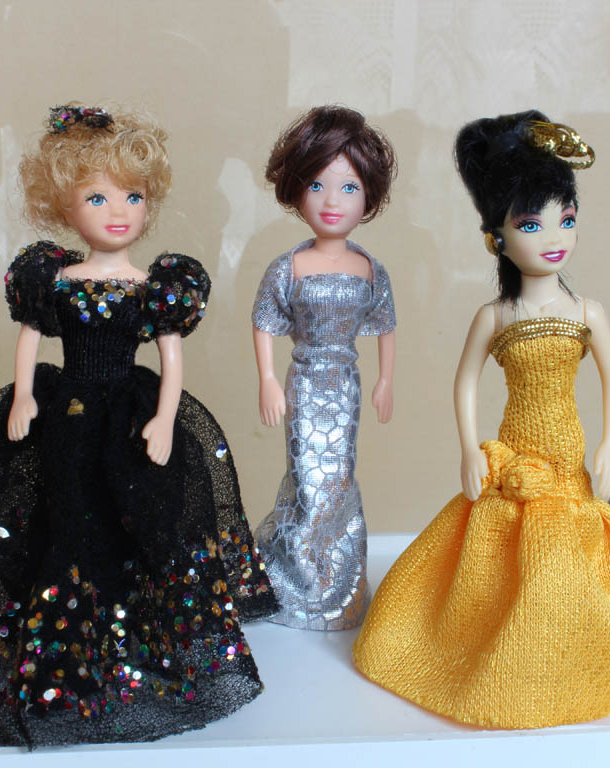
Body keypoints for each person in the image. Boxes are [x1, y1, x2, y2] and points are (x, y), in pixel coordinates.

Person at [0, 105, 276, 747]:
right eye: (97, 197)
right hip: (65, 413)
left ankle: (120, 640)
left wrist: (165, 419)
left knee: (128, 518)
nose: (118, 212)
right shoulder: (53, 280)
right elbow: (30, 340)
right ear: (64, 205)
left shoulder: (154, 286)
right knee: (60, 514)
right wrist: (24, 399)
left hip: (129, 416)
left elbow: (172, 361)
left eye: (133, 197)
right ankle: (58, 648)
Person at [353, 111, 610, 728]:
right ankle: (486, 648)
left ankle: (566, 649)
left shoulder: (587, 312)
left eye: (566, 219)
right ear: (497, 237)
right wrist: (470, 448)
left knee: (567, 550)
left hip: (568, 452)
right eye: (531, 224)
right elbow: (465, 380)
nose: (554, 237)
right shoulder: (495, 316)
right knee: (496, 550)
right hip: (516, 446)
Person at [251, 105, 397, 630]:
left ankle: (337, 586)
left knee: (338, 475)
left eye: (349, 187)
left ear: (369, 196)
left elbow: (385, 324)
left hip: (346, 387)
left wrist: (385, 380)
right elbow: (264, 321)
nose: (332, 201)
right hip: (304, 383)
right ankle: (293, 582)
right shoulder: (289, 267)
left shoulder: (369, 269)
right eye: (317, 185)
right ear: (296, 190)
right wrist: (268, 379)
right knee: (307, 474)